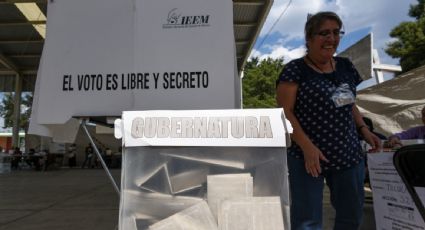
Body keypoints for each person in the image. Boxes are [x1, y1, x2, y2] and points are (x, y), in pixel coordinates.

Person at [276, 11, 381, 230]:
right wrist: (307, 147)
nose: (331, 39)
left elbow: (347, 103)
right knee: (308, 221)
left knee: (351, 216)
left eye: (336, 32)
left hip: (348, 154)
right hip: (307, 157)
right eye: (324, 33)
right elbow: (285, 113)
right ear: (309, 38)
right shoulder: (294, 70)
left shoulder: (344, 66)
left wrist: (364, 129)